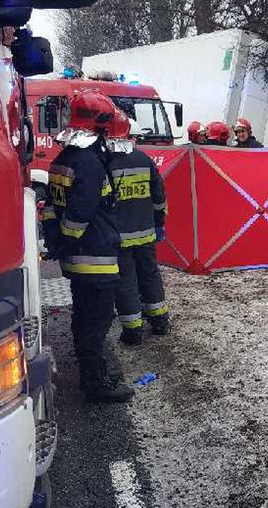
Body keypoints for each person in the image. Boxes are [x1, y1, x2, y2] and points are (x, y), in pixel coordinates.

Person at [42, 90, 134, 403]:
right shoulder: (90, 164)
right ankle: (96, 384)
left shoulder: (62, 160)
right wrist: (71, 238)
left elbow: (53, 209)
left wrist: (60, 243)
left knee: (84, 318)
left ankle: (91, 375)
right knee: (96, 322)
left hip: (77, 259)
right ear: (99, 129)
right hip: (96, 258)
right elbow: (81, 213)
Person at [105, 110, 170, 345]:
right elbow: (159, 196)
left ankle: (133, 330)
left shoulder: (106, 163)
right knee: (150, 275)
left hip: (120, 238)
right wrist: (159, 222)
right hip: (146, 233)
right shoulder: (144, 160)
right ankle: (160, 320)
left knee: (126, 281)